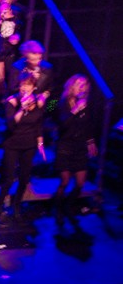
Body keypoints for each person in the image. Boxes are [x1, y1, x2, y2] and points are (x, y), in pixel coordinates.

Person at [0, 72, 45, 223]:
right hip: (13, 143)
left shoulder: (39, 102)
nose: (24, 88)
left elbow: (40, 122)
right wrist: (22, 109)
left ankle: (16, 205)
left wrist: (40, 143)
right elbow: (10, 125)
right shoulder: (12, 101)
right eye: (22, 85)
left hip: (29, 144)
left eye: (28, 85)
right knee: (9, 178)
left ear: (34, 87)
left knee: (24, 178)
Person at [52, 75, 98, 231]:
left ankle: (68, 205)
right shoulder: (59, 102)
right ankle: (58, 209)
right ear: (71, 86)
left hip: (79, 148)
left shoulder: (86, 104)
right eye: (79, 84)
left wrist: (90, 141)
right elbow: (62, 124)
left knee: (80, 183)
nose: (82, 87)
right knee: (64, 181)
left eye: (85, 85)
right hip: (65, 146)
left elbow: (88, 125)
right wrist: (75, 110)